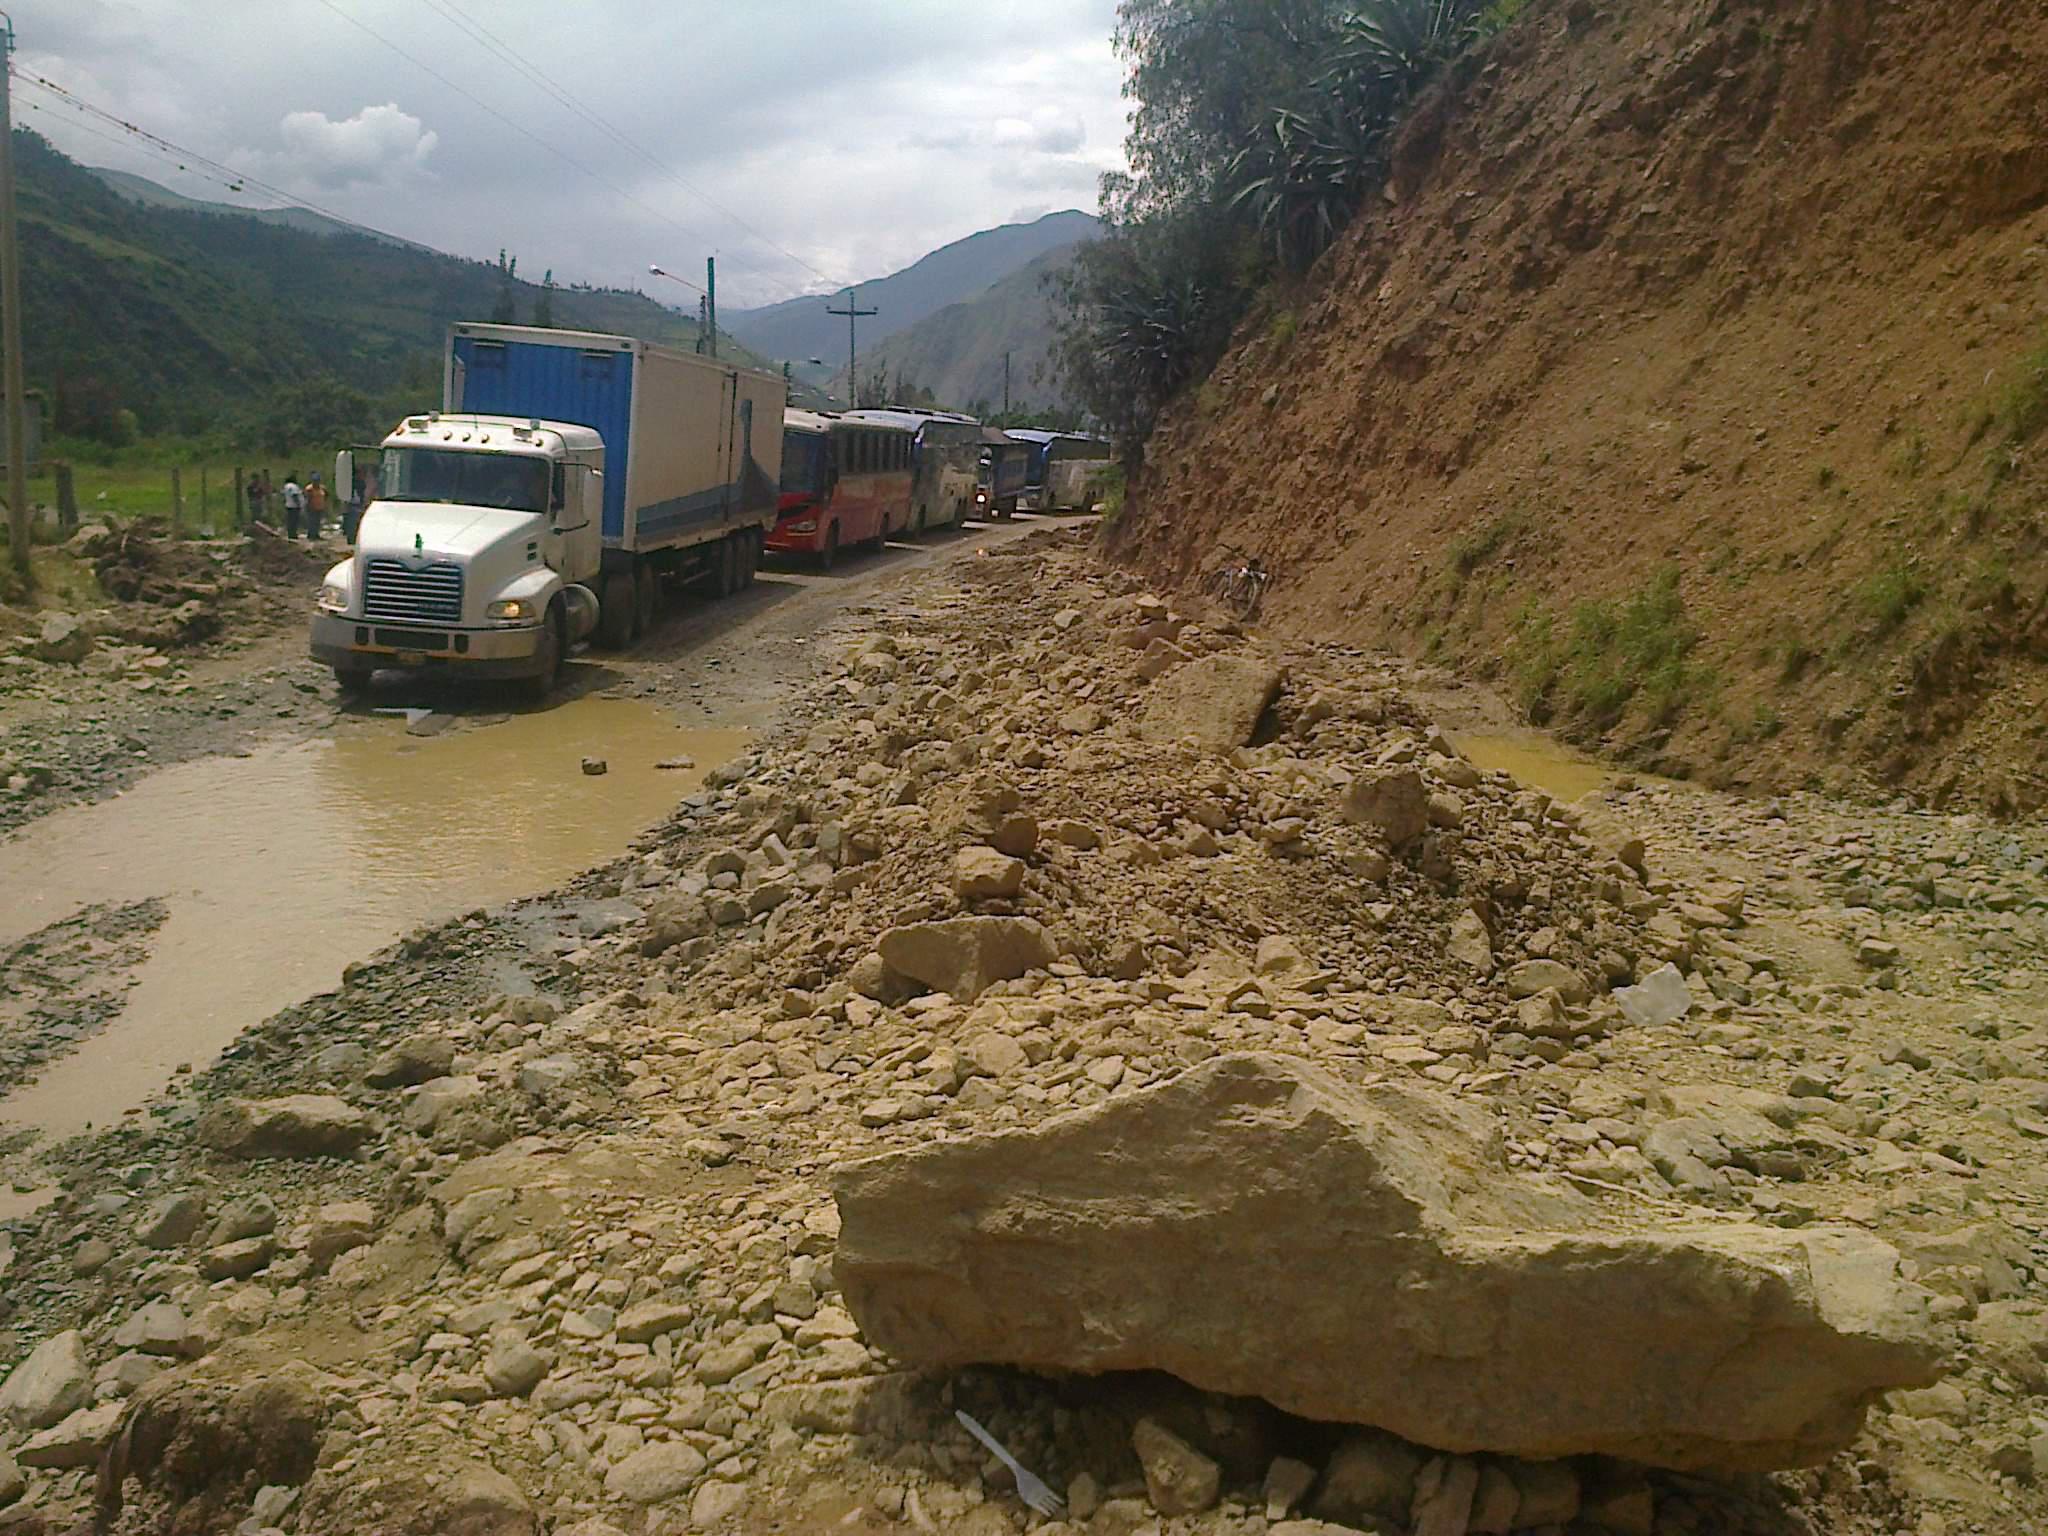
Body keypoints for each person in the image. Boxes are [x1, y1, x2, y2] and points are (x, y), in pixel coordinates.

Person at [304, 472, 329, 540]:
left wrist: (325, 504)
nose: (316, 482)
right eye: (315, 480)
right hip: (312, 508)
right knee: (312, 522)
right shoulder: (309, 488)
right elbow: (307, 498)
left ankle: (316, 534)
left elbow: (326, 495)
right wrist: (308, 507)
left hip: (320, 507)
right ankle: (311, 535)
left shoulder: (322, 488)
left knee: (318, 522)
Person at [282, 471, 305, 539]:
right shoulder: (293, 486)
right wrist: (298, 505)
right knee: (294, 521)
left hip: (289, 506)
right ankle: (293, 534)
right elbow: (294, 495)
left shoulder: (286, 486)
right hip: (294, 506)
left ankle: (291, 534)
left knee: (290, 521)